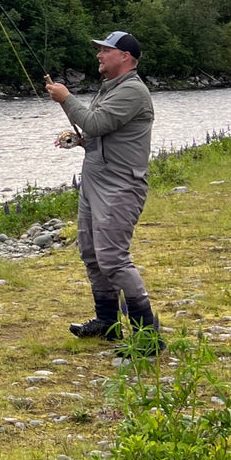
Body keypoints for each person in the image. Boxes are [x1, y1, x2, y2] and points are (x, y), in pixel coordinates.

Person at [44, 30, 161, 352]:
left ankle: (149, 336)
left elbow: (95, 123)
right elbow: (99, 132)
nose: (99, 55)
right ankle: (107, 322)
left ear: (125, 57)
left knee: (113, 258)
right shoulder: (111, 89)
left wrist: (66, 98)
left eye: (105, 50)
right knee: (92, 254)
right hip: (96, 182)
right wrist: (80, 141)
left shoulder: (133, 92)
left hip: (121, 186)